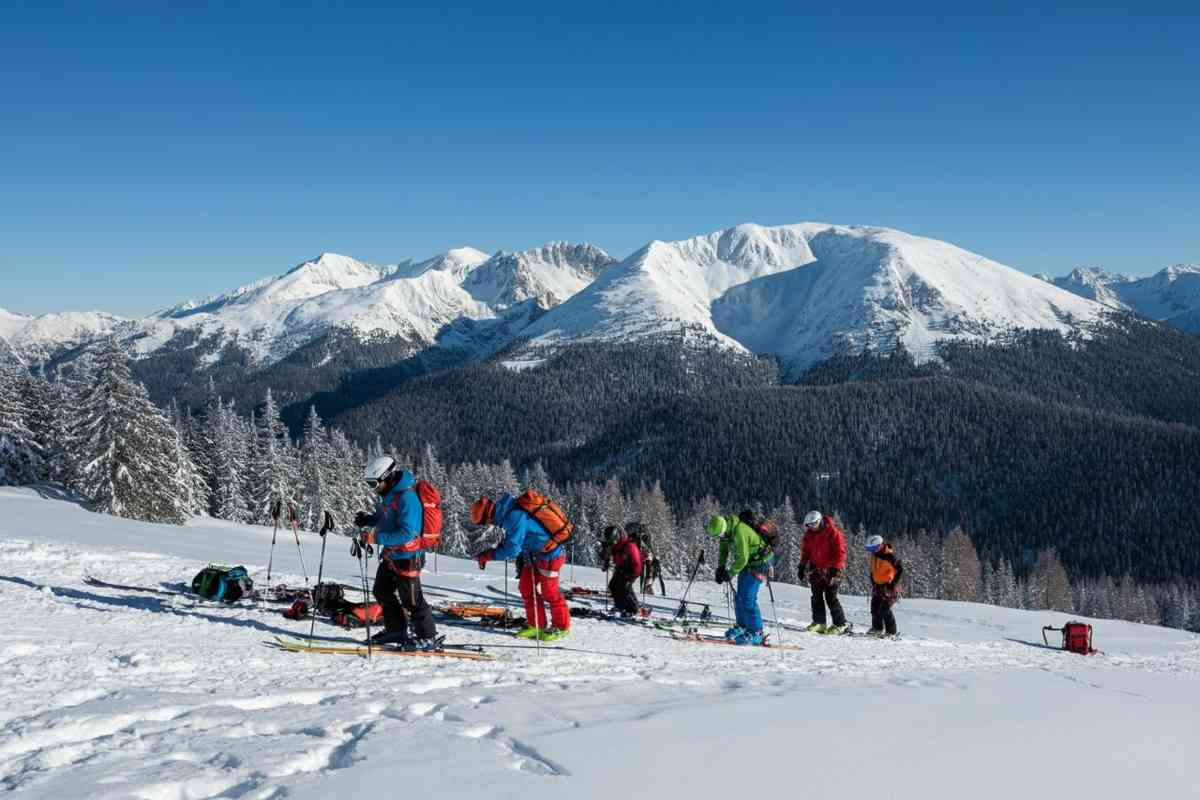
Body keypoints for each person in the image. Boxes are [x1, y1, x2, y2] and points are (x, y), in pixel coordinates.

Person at [353, 456, 438, 649]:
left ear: (387, 477)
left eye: (373, 483)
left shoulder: (407, 498)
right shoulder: (389, 495)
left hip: (408, 557)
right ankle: (395, 630)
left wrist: (376, 539)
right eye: (369, 484)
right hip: (392, 555)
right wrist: (368, 520)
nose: (372, 488)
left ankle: (428, 637)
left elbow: (408, 533)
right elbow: (386, 518)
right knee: (381, 591)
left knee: (412, 600)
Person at [471, 494, 571, 641]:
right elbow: (524, 537)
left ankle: (561, 627)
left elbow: (512, 549)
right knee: (526, 587)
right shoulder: (507, 513)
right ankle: (536, 624)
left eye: (484, 522)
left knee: (550, 592)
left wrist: (488, 555)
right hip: (533, 554)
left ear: (488, 515)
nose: (488, 524)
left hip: (551, 554)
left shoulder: (513, 516)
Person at [707, 513, 773, 645]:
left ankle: (757, 632)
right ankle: (742, 626)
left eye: (720, 535)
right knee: (739, 597)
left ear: (724, 528)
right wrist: (720, 567)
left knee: (748, 597)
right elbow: (724, 550)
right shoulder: (726, 532)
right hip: (749, 561)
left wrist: (730, 573)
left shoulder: (739, 531)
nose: (720, 538)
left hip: (760, 561)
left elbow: (742, 558)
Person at [798, 510, 848, 634]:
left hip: (832, 569)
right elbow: (806, 551)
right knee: (816, 595)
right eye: (808, 526)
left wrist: (835, 569)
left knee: (830, 597)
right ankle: (820, 623)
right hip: (816, 569)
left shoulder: (833, 533)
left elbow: (840, 553)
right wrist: (802, 565)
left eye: (813, 525)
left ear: (819, 521)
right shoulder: (809, 534)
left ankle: (840, 624)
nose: (811, 528)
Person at [866, 535, 903, 637]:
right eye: (870, 549)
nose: (871, 551)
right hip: (878, 586)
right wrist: (873, 580)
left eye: (872, 548)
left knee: (884, 609)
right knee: (874, 608)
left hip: (889, 587)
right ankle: (877, 629)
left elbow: (900, 570)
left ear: (879, 546)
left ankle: (891, 632)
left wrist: (893, 584)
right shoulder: (874, 555)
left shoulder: (890, 557)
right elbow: (873, 570)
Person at [607, 525, 643, 617]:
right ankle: (620, 606)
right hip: (621, 568)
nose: (613, 543)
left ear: (618, 536)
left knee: (625, 588)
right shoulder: (616, 545)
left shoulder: (630, 546)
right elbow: (615, 557)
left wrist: (631, 576)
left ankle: (635, 610)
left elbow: (637, 563)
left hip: (632, 570)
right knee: (613, 585)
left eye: (614, 540)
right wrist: (608, 562)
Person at [627, 522, 663, 596]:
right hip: (634, 560)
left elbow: (649, 550)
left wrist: (649, 556)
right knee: (645, 565)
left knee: (654, 564)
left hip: (644, 560)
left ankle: (648, 586)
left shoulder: (645, 538)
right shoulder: (633, 538)